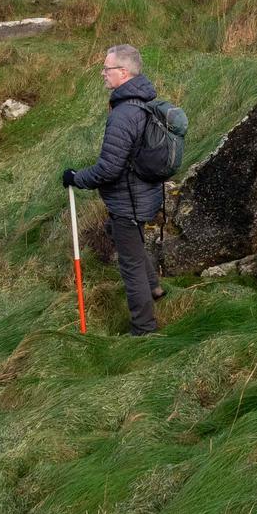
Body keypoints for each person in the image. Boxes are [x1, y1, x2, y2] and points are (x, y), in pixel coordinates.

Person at [62, 43, 167, 336]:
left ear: (123, 72)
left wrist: (75, 178)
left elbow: (108, 169)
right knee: (125, 239)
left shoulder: (123, 115)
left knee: (130, 264)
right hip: (145, 194)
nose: (102, 74)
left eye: (106, 69)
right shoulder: (145, 102)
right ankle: (154, 287)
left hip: (129, 201)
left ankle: (143, 329)